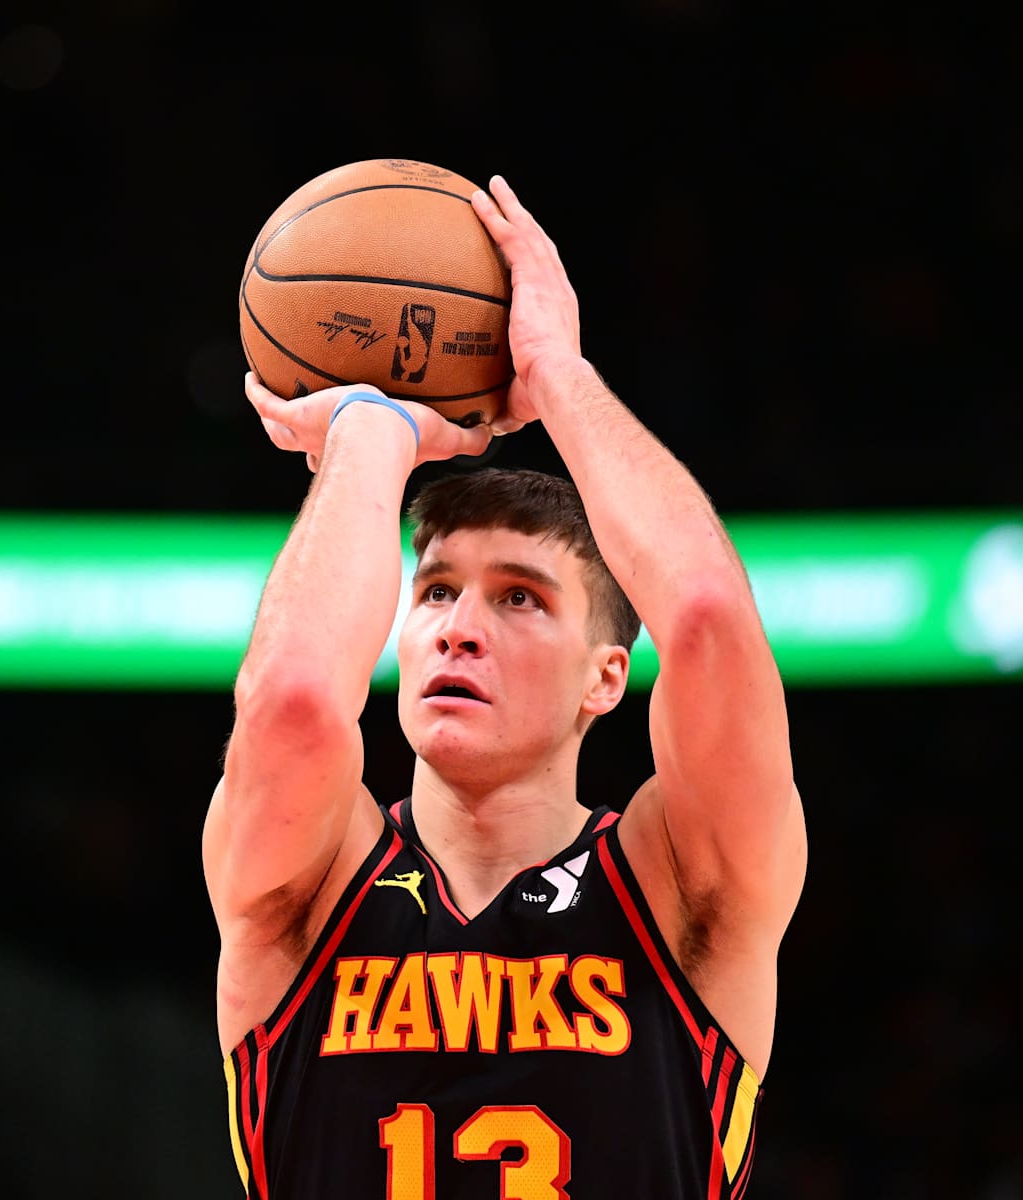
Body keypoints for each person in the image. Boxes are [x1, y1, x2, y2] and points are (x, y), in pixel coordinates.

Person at [203, 173, 807, 1198]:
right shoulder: (317, 884)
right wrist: (372, 429)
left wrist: (556, 373)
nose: (461, 628)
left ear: (606, 677)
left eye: (520, 599)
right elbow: (295, 701)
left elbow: (706, 617)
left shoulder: (677, 887)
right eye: (437, 591)